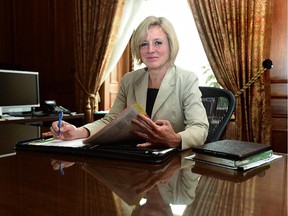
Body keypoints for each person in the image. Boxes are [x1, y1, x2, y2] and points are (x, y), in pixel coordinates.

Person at [50, 16, 209, 150]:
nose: (150, 50)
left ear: (170, 46)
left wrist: (176, 139)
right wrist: (78, 131)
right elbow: (110, 121)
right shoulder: (129, 80)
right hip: (135, 158)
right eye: (144, 44)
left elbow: (200, 128)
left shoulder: (187, 79)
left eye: (158, 42)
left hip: (172, 163)